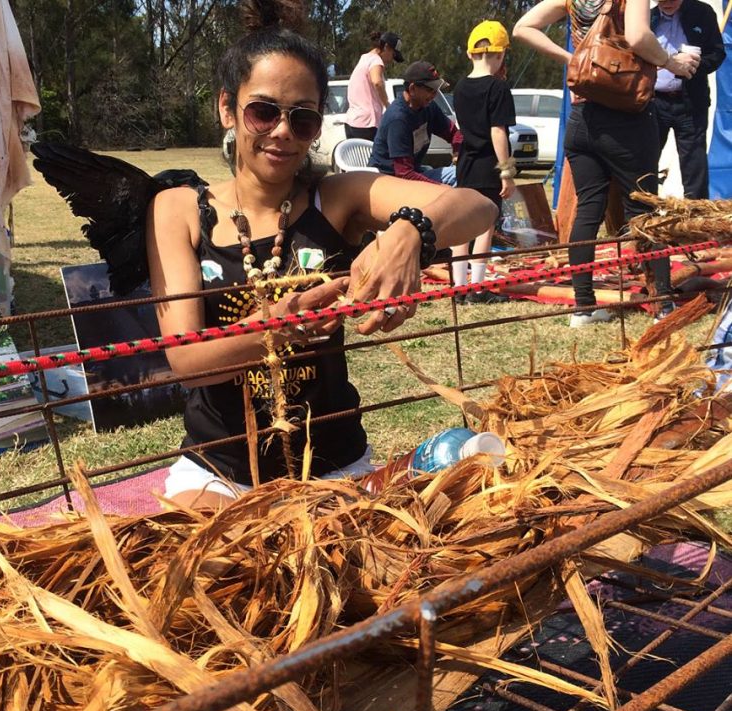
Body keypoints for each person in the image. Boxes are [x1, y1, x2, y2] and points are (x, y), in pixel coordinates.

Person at [146, 0, 497, 510]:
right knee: (237, 564)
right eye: (263, 111)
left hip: (336, 468)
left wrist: (407, 234)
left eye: (303, 118)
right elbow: (187, 361)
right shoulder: (178, 209)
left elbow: (478, 206)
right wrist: (275, 326)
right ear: (227, 108)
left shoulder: (337, 197)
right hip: (218, 474)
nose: (283, 131)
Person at [514, 0, 699, 327]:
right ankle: (662, 307)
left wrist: (573, 59)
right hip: (627, 116)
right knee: (645, 210)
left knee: (588, 210)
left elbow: (522, 28)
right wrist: (673, 63)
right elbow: (639, 36)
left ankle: (583, 308)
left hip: (583, 117)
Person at [452, 20, 516, 305]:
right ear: (501, 55)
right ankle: (477, 288)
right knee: (485, 227)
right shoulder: (498, 89)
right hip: (489, 166)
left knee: (461, 228)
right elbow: (497, 132)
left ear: (469, 54)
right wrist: (508, 172)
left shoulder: (461, 87)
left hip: (465, 163)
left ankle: (458, 288)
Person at [652, 0, 725, 200]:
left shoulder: (701, 12)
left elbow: (718, 53)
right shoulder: (646, 18)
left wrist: (696, 65)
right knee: (646, 162)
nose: (666, 3)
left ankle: (695, 219)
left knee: (695, 165)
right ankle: (643, 213)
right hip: (653, 102)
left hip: (691, 102)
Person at [367, 60, 459, 185]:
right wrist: (440, 188)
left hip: (413, 173)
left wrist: (457, 152)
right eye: (430, 89)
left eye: (436, 90)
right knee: (455, 181)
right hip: (390, 181)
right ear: (412, 88)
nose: (434, 94)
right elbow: (404, 173)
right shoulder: (398, 119)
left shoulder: (429, 108)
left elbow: (454, 133)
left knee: (462, 173)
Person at [344, 31, 403, 141]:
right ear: (386, 47)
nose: (391, 60)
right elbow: (377, 82)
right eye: (393, 55)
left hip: (352, 122)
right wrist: (387, 105)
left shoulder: (365, 58)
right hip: (367, 124)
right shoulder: (376, 60)